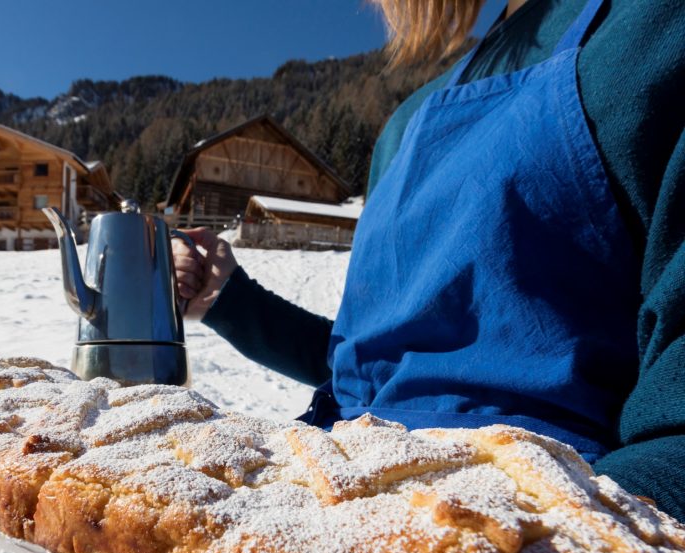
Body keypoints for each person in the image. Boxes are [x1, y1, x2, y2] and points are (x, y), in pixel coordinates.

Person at [172, 0, 685, 518]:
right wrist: (230, 300)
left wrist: (581, 542)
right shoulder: (404, 125)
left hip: (531, 522)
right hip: (328, 493)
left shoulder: (657, 32)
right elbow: (371, 368)